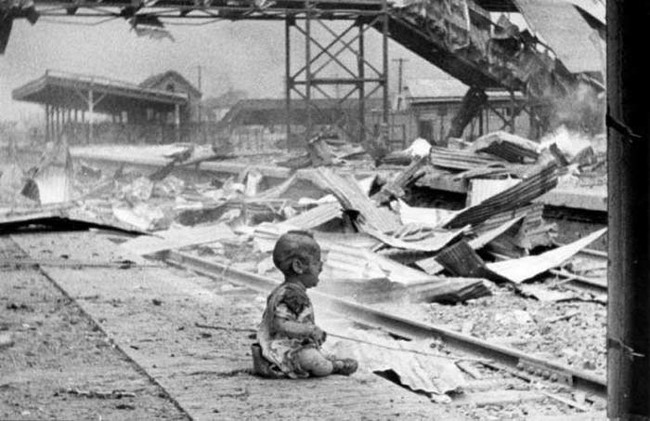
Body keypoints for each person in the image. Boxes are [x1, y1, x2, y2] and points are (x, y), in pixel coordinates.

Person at [253, 230, 358, 378]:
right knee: (312, 359)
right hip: (280, 350)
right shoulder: (290, 295)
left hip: (291, 345)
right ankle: (334, 366)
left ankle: (328, 360)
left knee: (316, 352)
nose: (321, 268)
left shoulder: (291, 292)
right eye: (316, 263)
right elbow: (280, 325)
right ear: (298, 266)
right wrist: (309, 330)